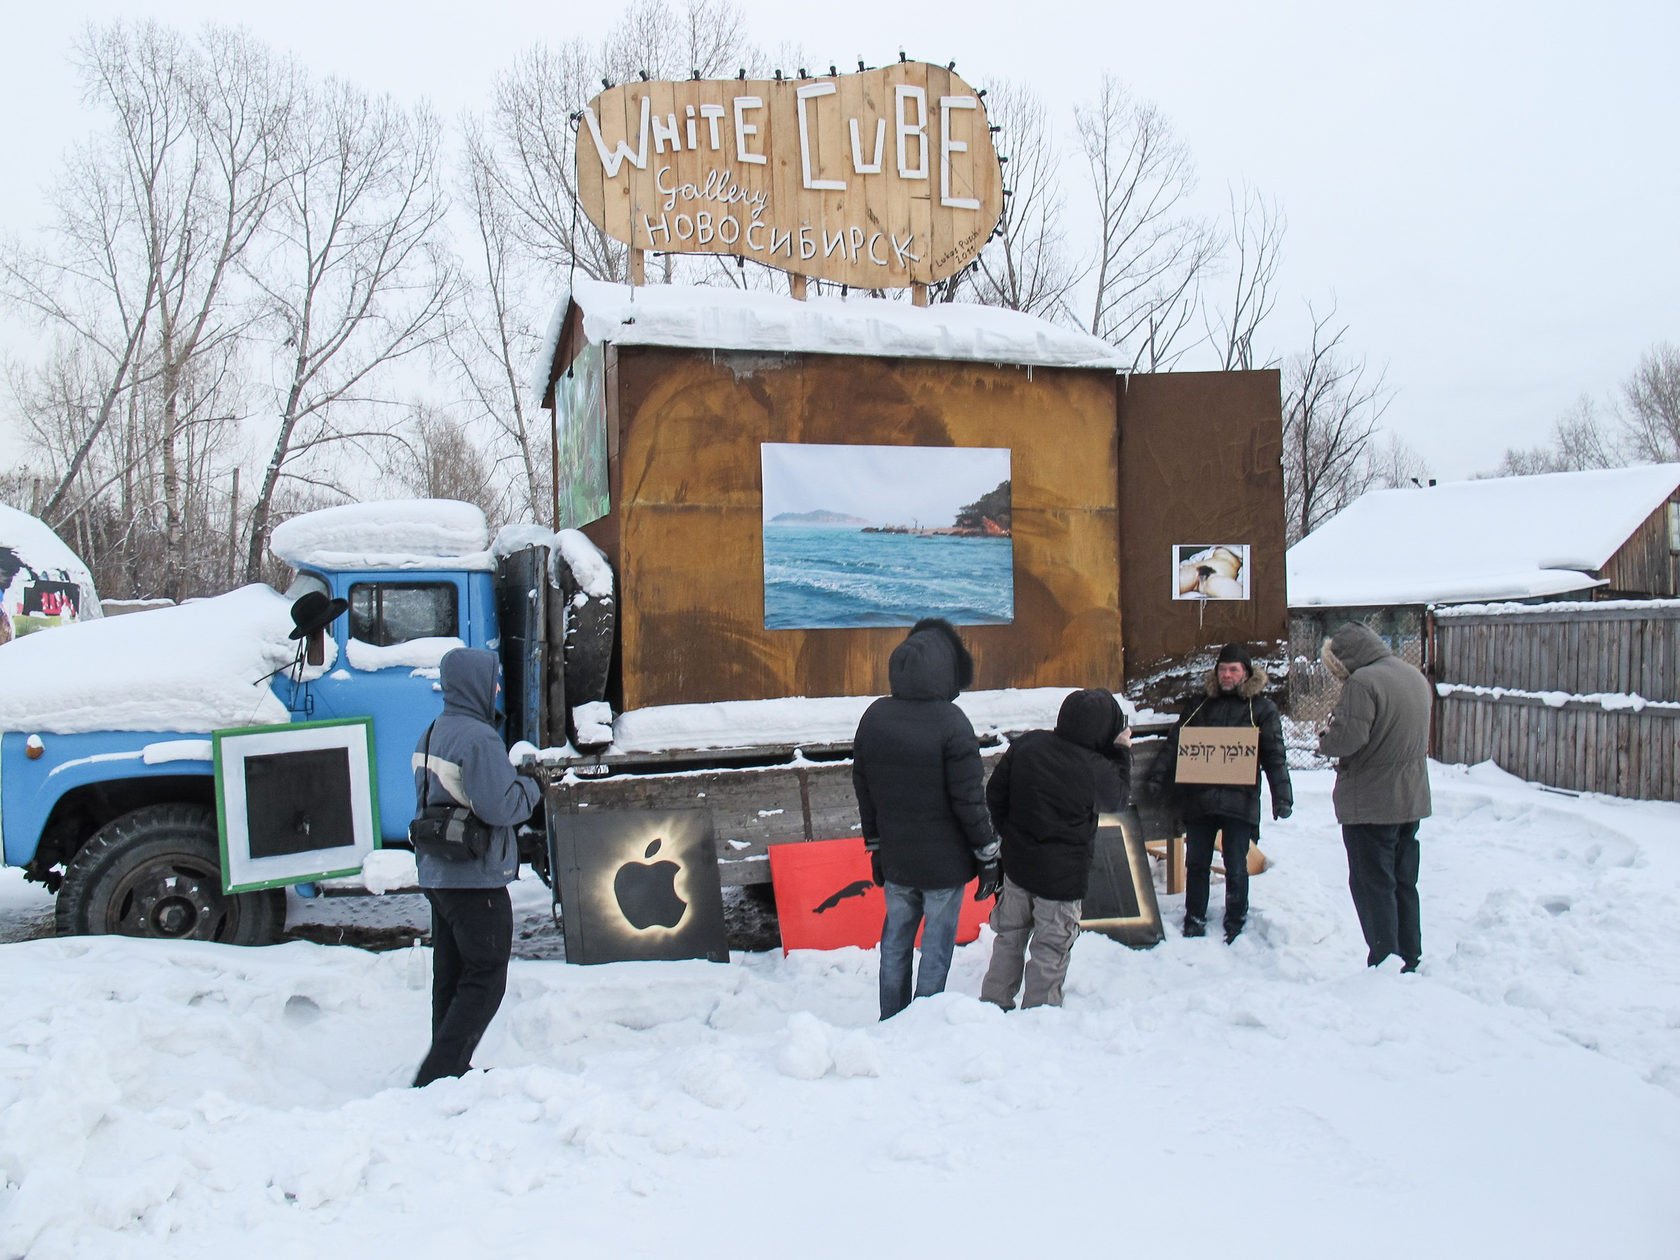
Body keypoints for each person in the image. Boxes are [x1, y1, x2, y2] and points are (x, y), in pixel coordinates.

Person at [853, 617, 1001, 1020]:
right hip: (944, 866)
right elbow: (969, 801)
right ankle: (922, 1023)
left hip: (898, 858)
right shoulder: (952, 722)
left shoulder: (875, 716)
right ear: (945, 669)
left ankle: (891, 1017)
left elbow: (863, 788)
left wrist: (876, 846)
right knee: (936, 947)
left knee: (895, 942)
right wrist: (988, 855)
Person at [411, 647, 541, 1087]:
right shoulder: (479, 739)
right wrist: (531, 786)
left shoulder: (432, 731)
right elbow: (502, 806)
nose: (499, 689)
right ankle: (438, 1072)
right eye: (494, 681)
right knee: (486, 975)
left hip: (438, 873)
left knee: (451, 974)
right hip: (474, 877)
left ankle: (446, 1074)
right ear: (475, 685)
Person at [980, 688, 1132, 1010]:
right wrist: (1120, 752)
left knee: (1008, 938)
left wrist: (1011, 834)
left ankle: (992, 1007)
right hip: (1062, 880)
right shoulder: (1096, 768)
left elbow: (995, 794)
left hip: (1018, 867)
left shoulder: (1029, 745)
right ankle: (1040, 1016)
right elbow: (1117, 800)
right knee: (1050, 948)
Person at [1146, 642, 1292, 942]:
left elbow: (1274, 755)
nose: (1227, 674)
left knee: (1236, 865)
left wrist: (1283, 797)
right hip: (1200, 800)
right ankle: (1194, 918)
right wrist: (1157, 779)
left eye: (1233, 670)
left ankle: (1236, 920)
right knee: (1196, 863)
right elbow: (1176, 744)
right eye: (1222, 669)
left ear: (1246, 673)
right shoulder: (1200, 705)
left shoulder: (1261, 709)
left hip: (1239, 802)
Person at [1317, 621, 1433, 972]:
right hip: (1410, 797)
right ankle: (1409, 955)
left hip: (1371, 802)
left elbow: (1348, 739)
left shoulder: (1362, 683)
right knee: (1402, 881)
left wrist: (1326, 737)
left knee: (1373, 884)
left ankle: (1384, 960)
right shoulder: (1412, 675)